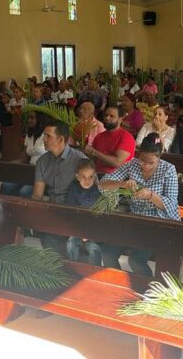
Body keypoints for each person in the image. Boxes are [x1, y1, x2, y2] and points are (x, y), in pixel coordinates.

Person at [99, 133, 180, 275]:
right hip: (135, 221)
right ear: (138, 154)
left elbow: (171, 205)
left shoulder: (168, 169)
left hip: (158, 224)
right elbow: (103, 184)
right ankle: (119, 283)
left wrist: (150, 195)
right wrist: (122, 183)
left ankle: (145, 287)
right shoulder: (132, 165)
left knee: (136, 260)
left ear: (159, 157)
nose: (146, 165)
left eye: (151, 162)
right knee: (107, 254)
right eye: (143, 160)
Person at [32, 121, 88, 255]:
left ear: (61, 139)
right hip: (53, 213)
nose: (44, 139)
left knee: (73, 251)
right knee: (48, 241)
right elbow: (37, 195)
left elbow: (91, 194)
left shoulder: (80, 161)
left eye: (48, 136)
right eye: (44, 135)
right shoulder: (42, 162)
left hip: (76, 215)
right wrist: (34, 217)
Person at [65, 159, 102, 266]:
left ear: (95, 176)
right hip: (77, 227)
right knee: (71, 243)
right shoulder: (74, 188)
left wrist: (88, 232)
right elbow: (71, 211)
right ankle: (74, 269)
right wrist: (79, 231)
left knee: (92, 247)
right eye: (83, 177)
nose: (87, 180)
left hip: (94, 228)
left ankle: (95, 270)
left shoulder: (98, 191)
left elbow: (99, 216)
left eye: (91, 177)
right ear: (77, 177)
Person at [85, 105, 135, 176]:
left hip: (116, 178)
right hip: (96, 174)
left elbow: (117, 162)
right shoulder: (99, 136)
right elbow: (93, 159)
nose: (107, 118)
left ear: (120, 119)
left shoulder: (126, 137)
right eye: (106, 115)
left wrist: (94, 152)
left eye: (112, 116)